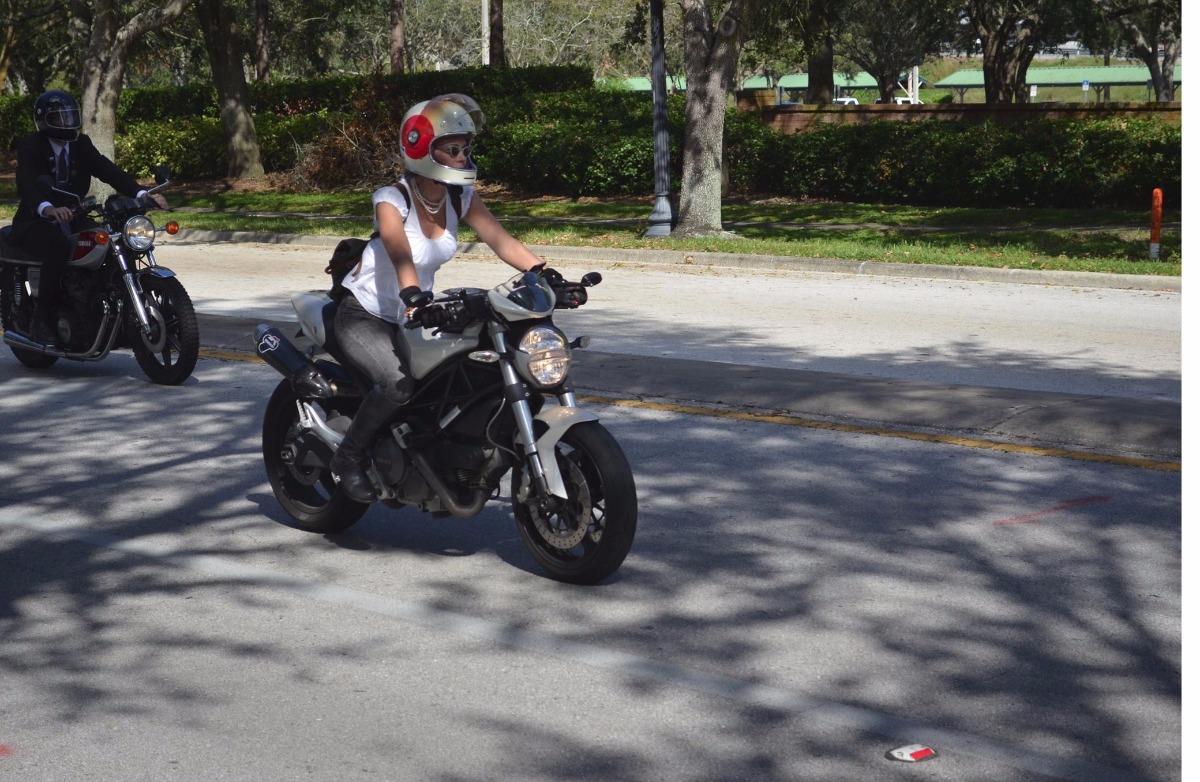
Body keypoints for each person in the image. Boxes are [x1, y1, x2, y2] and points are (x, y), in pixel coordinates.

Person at [331, 93, 551, 503]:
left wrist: (544, 273)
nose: (462, 157)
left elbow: (501, 240)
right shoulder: (391, 198)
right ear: (420, 149)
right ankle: (348, 457)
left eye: (465, 148)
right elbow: (399, 250)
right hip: (367, 314)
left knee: (465, 372)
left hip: (417, 314)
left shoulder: (458, 196)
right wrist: (413, 294)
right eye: (452, 149)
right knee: (397, 386)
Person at [11, 89, 168, 346]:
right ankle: (41, 318)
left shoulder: (80, 144)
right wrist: (47, 208)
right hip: (36, 220)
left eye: (70, 116)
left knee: (109, 242)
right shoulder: (31, 145)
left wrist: (142, 194)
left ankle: (106, 307)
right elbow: (26, 184)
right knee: (58, 245)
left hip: (73, 215)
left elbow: (108, 170)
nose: (66, 123)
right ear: (44, 120)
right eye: (59, 118)